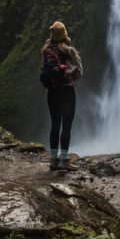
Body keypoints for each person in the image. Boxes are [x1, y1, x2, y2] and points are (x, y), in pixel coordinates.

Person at [41, 20, 83, 171]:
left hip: (52, 92)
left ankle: (53, 160)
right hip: (67, 92)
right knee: (66, 125)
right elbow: (80, 71)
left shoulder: (46, 50)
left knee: (55, 124)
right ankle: (64, 161)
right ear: (64, 35)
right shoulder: (69, 51)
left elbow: (44, 69)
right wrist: (69, 77)